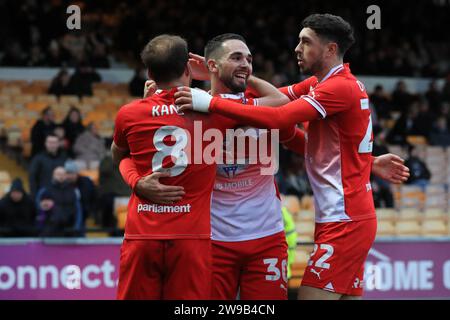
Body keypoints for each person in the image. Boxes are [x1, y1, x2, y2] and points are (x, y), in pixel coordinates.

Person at [124, 33, 409, 300]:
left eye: (249, 59)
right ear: (211, 65)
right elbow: (140, 146)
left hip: (266, 238)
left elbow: (302, 142)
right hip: (214, 238)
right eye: (236, 58)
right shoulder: (192, 109)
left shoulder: (258, 108)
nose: (246, 65)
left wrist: (367, 163)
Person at [35, 167, 83, 237]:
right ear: (53, 175)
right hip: (50, 230)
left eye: (63, 174)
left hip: (69, 229)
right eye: (58, 174)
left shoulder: (73, 190)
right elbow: (38, 207)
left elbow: (78, 209)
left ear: (66, 175)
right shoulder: (45, 190)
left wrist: (77, 226)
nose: (61, 176)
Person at [64, 160, 97, 224]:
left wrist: (90, 211)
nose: (70, 176)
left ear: (77, 173)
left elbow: (94, 197)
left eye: (72, 173)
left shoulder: (87, 183)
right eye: (67, 173)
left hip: (85, 213)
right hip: (68, 216)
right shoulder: (63, 185)